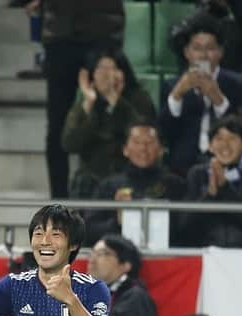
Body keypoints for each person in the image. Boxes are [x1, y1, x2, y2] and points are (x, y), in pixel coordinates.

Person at [41, 0, 126, 198]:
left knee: (109, 114)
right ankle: (58, 201)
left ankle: (108, 192)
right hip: (61, 37)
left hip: (103, 35)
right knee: (58, 127)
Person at [159, 15, 242, 177]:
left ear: (220, 52)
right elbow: (165, 134)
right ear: (187, 53)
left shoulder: (239, 84)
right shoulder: (171, 86)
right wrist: (177, 95)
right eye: (197, 48)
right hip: (181, 168)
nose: (203, 55)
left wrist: (217, 98)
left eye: (210, 48)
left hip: (226, 164)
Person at [61, 48, 156, 199]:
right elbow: (69, 143)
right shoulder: (86, 102)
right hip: (91, 179)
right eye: (102, 69)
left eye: (113, 68)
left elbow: (142, 134)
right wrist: (89, 104)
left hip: (128, 175)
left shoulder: (139, 99)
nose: (108, 75)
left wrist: (115, 100)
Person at [85, 121, 185, 245]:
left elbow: (187, 228)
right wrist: (118, 221)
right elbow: (89, 231)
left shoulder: (175, 184)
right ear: (125, 150)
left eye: (149, 142)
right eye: (137, 142)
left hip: (167, 256)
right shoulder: (109, 186)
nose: (143, 148)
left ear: (160, 150)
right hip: (120, 257)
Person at [178, 115, 242, 248]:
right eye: (219, 138)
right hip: (206, 254)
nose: (225, 145)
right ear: (210, 146)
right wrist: (209, 196)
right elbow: (184, 227)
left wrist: (224, 188)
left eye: (232, 138)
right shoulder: (197, 174)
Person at [168, 0, 242, 74]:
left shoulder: (237, 22)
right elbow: (175, 41)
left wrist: (237, 5)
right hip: (199, 83)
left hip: (231, 83)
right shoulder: (194, 19)